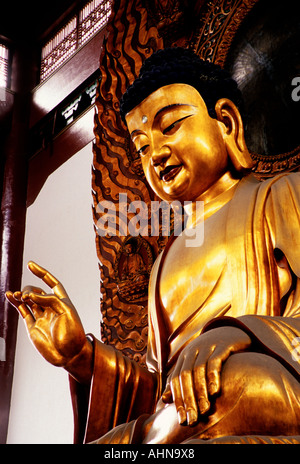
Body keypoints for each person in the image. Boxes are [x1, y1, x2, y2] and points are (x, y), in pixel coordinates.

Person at [6, 47, 300, 444]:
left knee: (230, 383)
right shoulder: (162, 264)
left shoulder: (282, 196)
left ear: (227, 123)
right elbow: (156, 386)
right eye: (142, 146)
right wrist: (82, 356)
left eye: (172, 125)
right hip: (181, 415)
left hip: (256, 384)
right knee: (158, 417)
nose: (156, 154)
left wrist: (238, 333)